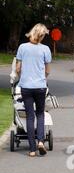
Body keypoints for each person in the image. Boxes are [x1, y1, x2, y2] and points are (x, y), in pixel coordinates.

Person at [15, 23, 52, 157]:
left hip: (26, 87)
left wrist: (22, 78)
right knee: (40, 114)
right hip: (40, 86)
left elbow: (18, 68)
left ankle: (31, 149)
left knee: (30, 116)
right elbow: (47, 70)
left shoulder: (22, 48)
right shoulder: (45, 49)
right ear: (42, 36)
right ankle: (41, 141)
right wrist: (43, 78)